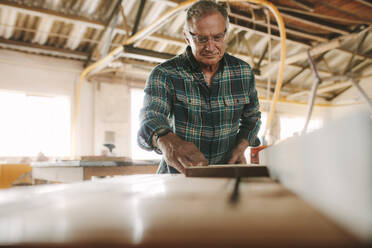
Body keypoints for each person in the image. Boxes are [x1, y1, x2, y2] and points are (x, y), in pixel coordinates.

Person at [137, 0, 261, 174]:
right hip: (178, 177)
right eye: (201, 39)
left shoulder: (243, 72)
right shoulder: (164, 74)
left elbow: (252, 118)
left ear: (225, 34)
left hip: (225, 175)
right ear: (187, 37)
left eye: (217, 37)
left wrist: (241, 147)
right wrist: (165, 140)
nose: (210, 47)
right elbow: (150, 117)